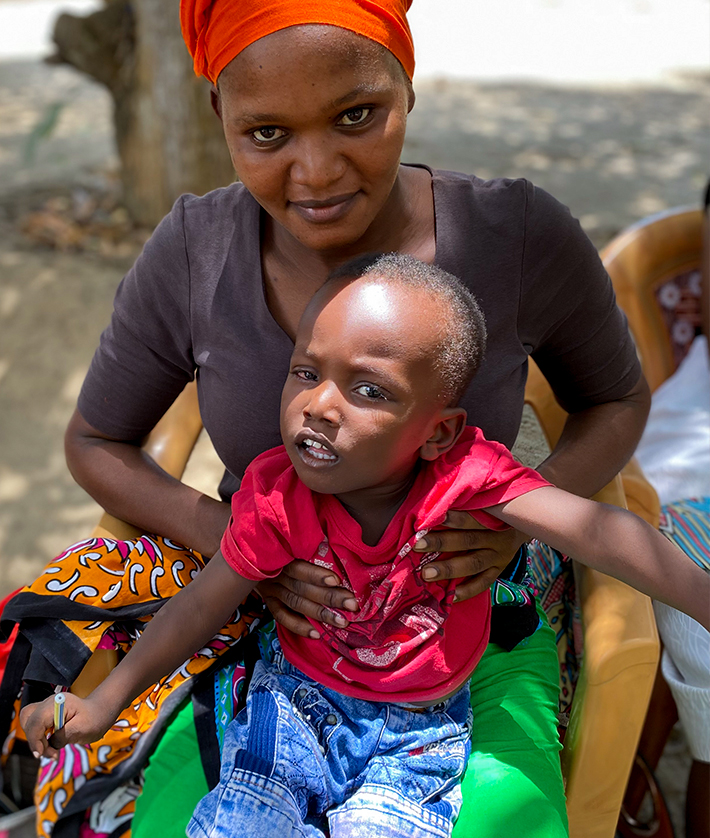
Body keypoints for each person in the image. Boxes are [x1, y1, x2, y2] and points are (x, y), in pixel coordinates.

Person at [0, 2, 654, 836]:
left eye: (356, 116)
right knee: (180, 815)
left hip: (469, 610)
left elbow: (617, 398)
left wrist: (521, 521)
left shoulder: (513, 234)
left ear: (405, 87)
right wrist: (233, 537)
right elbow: (97, 440)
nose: (316, 171)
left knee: (496, 817)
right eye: (266, 134)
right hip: (267, 610)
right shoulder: (197, 251)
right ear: (220, 117)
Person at [20, 255, 708, 838]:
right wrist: (103, 704)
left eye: (368, 389)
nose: (320, 405)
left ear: (438, 433)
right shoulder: (278, 495)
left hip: (420, 729)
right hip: (290, 707)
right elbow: (198, 608)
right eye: (306, 372)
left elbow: (600, 530)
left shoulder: (465, 478)